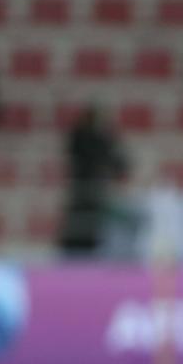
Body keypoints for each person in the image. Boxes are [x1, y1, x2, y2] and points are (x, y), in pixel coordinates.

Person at [57, 105, 131, 257]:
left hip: (95, 193)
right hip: (83, 191)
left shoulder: (104, 139)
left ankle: (90, 254)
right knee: (80, 226)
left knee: (94, 228)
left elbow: (120, 164)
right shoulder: (81, 137)